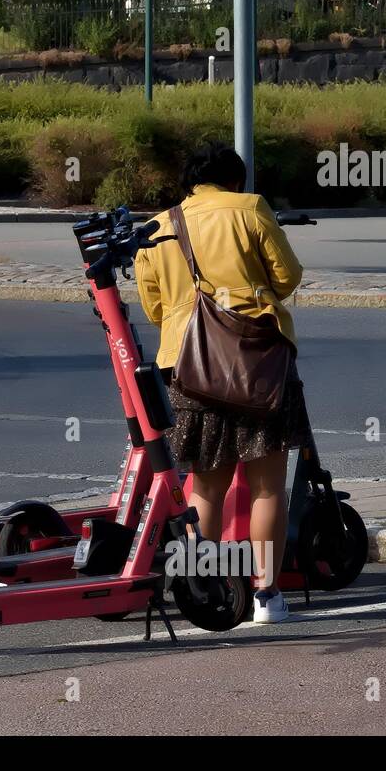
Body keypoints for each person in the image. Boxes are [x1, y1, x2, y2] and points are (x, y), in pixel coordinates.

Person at [134, 142, 310, 623]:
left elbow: (153, 308)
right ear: (235, 180)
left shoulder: (159, 225)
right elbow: (287, 277)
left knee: (204, 487)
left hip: (186, 368)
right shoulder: (249, 208)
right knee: (267, 487)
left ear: (190, 182)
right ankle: (267, 597)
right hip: (257, 365)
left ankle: (203, 591)